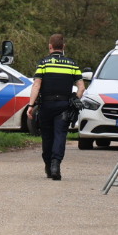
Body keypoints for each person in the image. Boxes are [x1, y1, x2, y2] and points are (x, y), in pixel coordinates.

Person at [24, 33, 85, 181]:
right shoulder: (72, 64)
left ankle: (48, 166)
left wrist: (31, 105)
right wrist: (74, 100)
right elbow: (81, 88)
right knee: (60, 135)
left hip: (46, 105)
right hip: (64, 106)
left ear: (50, 46)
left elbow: (36, 85)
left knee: (47, 136)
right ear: (63, 47)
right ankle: (56, 165)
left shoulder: (43, 63)